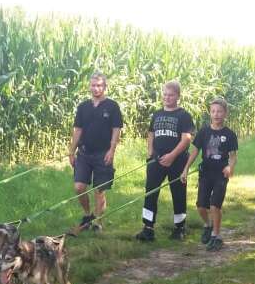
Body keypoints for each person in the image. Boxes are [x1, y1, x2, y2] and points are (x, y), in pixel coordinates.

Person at [136, 81, 194, 242]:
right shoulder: (157, 114)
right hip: (156, 160)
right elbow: (151, 134)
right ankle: (148, 228)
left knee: (178, 193)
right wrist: (150, 153)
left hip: (177, 160)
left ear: (178, 97)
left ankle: (180, 228)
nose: (167, 98)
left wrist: (172, 156)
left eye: (171, 95)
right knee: (150, 192)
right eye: (165, 95)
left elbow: (186, 139)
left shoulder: (183, 115)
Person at [181, 97, 238, 251]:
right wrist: (186, 168)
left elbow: (233, 156)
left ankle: (216, 236)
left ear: (225, 113)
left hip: (221, 175)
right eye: (213, 111)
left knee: (215, 205)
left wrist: (230, 168)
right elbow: (194, 151)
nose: (216, 114)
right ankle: (208, 225)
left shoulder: (230, 134)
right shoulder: (204, 132)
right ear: (210, 113)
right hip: (205, 173)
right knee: (201, 206)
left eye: (219, 111)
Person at [69, 71, 123, 231]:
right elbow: (77, 130)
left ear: (105, 87)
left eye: (99, 85)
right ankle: (88, 215)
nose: (96, 88)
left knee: (99, 190)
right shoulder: (83, 107)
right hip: (84, 153)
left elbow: (116, 130)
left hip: (103, 153)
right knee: (79, 187)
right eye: (93, 85)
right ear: (89, 87)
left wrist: (112, 151)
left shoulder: (112, 106)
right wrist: (71, 152)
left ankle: (98, 222)